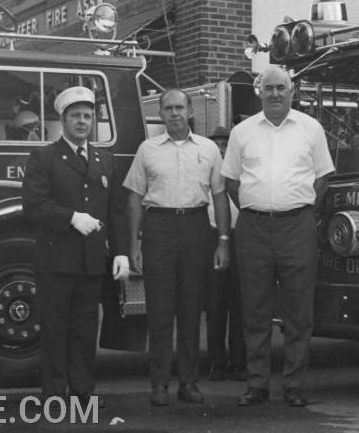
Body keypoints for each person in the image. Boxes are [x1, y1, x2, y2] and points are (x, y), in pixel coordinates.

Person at [222, 65, 335, 408]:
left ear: (292, 91)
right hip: (253, 229)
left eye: (280, 88)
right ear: (260, 92)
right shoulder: (242, 132)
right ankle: (257, 384)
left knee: (298, 311)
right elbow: (230, 180)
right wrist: (257, 206)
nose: (274, 94)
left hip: (297, 227)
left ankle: (294, 386)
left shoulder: (311, 128)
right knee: (254, 308)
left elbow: (323, 177)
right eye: (268, 88)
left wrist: (301, 212)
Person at [22, 86, 130, 408]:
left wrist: (122, 251)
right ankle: (55, 395)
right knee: (55, 331)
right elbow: (34, 204)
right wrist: (71, 218)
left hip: (90, 262)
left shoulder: (104, 159)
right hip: (56, 262)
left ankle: (83, 393)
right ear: (63, 120)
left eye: (87, 116)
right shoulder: (44, 157)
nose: (82, 122)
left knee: (85, 331)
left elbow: (116, 210)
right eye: (76, 116)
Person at [124, 89, 230, 407]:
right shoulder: (147, 150)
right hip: (159, 228)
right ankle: (159, 384)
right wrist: (134, 244)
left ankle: (188, 382)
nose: (174, 114)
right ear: (161, 113)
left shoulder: (210, 149)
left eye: (179, 108)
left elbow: (221, 195)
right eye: (168, 108)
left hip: (197, 227)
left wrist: (223, 240)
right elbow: (133, 198)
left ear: (189, 112)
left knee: (190, 308)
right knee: (159, 310)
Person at [204, 127, 246, 382]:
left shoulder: (242, 173)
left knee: (240, 304)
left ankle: (239, 362)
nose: (220, 148)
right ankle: (217, 363)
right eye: (217, 144)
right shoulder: (205, 173)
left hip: (240, 238)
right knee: (215, 304)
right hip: (211, 239)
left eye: (225, 144)